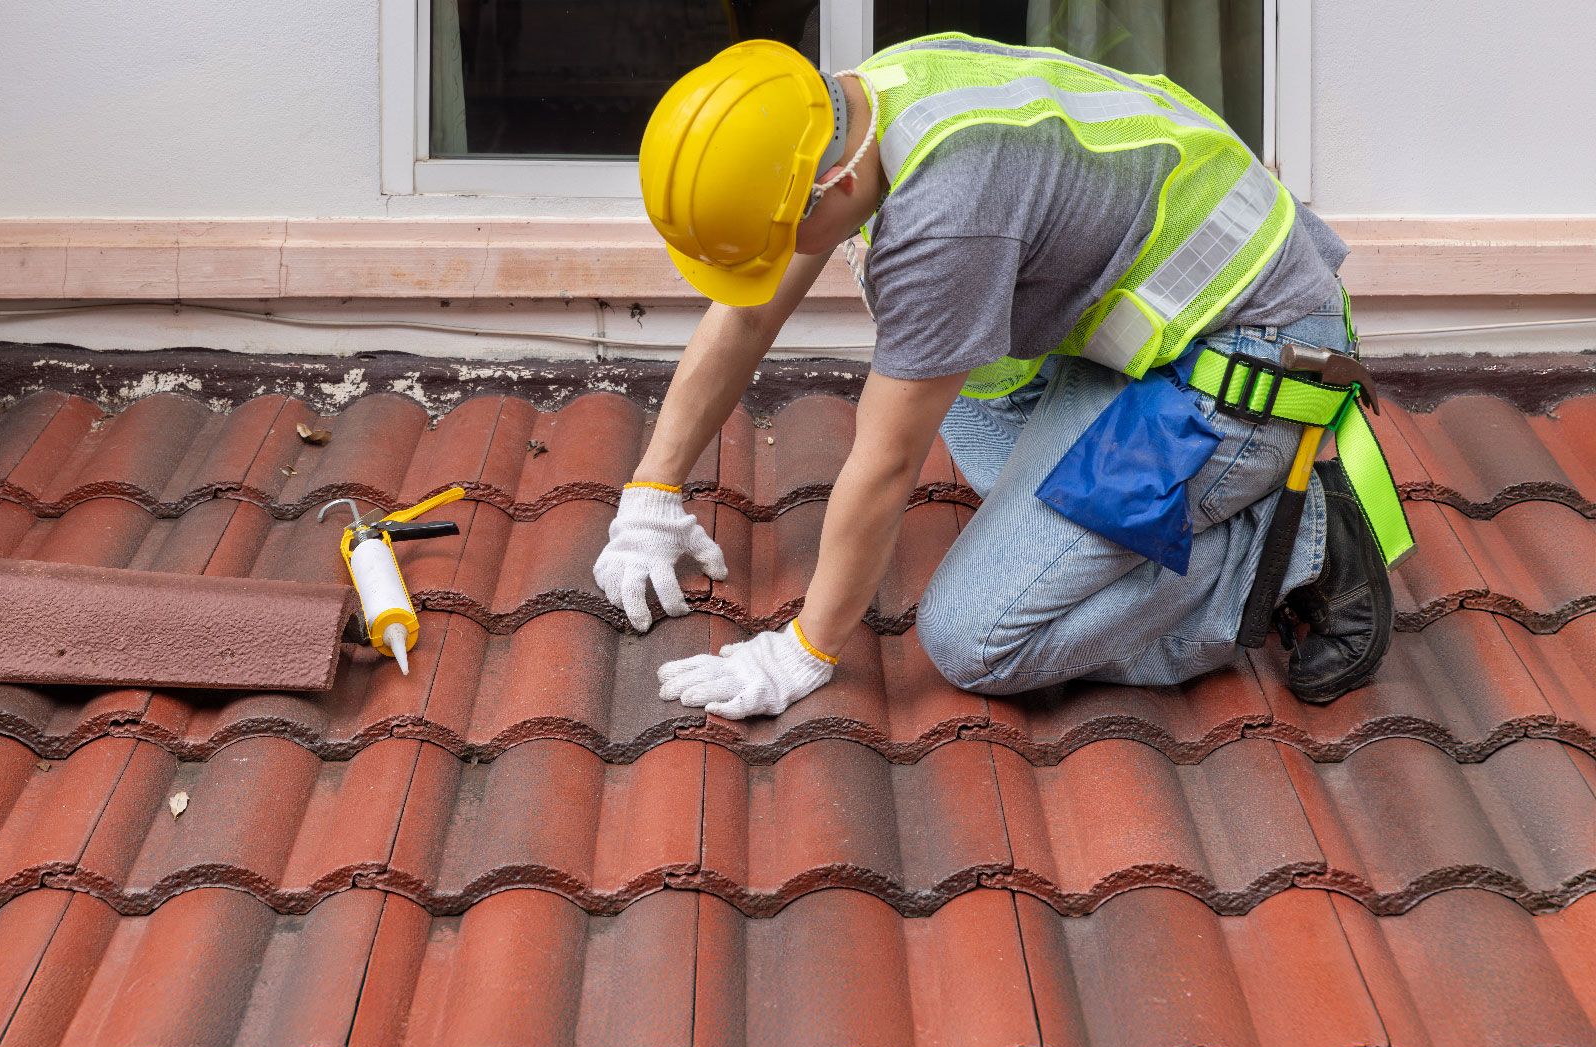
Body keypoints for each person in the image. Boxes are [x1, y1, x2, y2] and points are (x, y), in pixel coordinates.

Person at [592, 33, 1414, 720]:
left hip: (1247, 359)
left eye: (782, 240)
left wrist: (803, 650)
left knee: (976, 638)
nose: (782, 268)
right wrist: (652, 495)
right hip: (1166, 328)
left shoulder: (948, 219)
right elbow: (747, 315)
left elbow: (882, 464)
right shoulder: (868, 99)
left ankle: (1292, 548)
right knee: (969, 391)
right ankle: (1164, 511)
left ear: (831, 186)